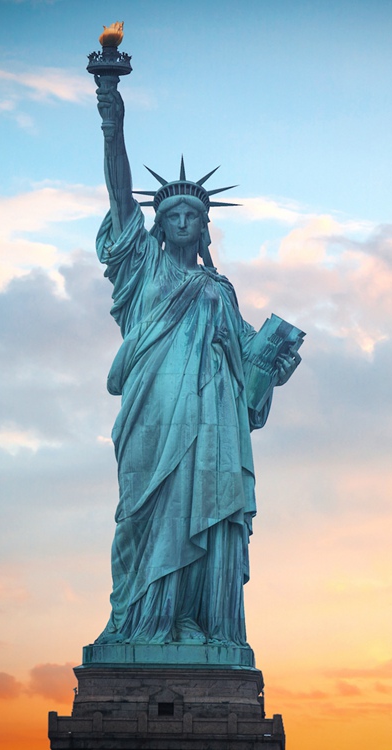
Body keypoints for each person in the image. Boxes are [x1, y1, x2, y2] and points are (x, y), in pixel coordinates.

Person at [93, 74, 300, 646]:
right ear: (157, 226)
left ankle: (196, 620)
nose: (183, 221)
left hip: (213, 422)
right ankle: (140, 619)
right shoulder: (143, 270)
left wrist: (272, 361)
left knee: (201, 513)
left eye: (193, 215)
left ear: (204, 227)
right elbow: (118, 194)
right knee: (146, 512)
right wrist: (112, 116)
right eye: (173, 215)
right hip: (153, 411)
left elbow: (248, 363)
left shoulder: (221, 289)